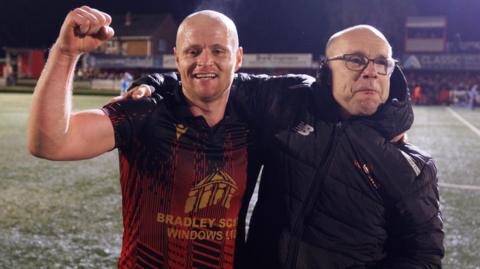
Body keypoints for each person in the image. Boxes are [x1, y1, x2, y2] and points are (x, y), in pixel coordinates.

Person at [128, 25, 444, 268]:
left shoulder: (412, 166)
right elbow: (216, 80)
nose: (371, 71)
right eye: (356, 60)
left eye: (381, 63)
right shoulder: (288, 100)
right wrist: (153, 83)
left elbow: (422, 256)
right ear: (326, 68)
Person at [27, 6, 262, 268]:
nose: (205, 61)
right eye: (193, 51)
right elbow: (50, 143)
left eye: (218, 51)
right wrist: (65, 53)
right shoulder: (145, 112)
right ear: (177, 58)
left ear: (238, 58)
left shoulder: (256, 122)